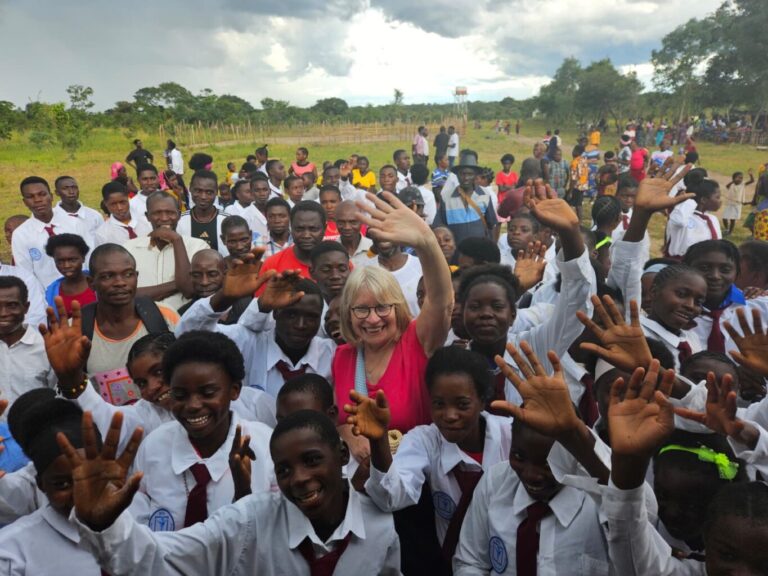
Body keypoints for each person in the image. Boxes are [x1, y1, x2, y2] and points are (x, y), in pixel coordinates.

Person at [61, 409, 401, 575]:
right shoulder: (250, 519)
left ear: (342, 455)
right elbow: (164, 554)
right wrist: (104, 524)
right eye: (283, 470)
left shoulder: (379, 526)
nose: (298, 478)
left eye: (312, 461)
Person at [348, 347, 512, 567]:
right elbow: (391, 497)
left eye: (462, 405)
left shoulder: (509, 435)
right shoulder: (424, 440)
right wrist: (379, 441)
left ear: (482, 401)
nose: (450, 415)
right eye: (439, 404)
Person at [454, 345, 611, 575]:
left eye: (548, 463)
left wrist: (578, 433)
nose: (531, 474)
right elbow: (470, 562)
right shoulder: (496, 482)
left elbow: (630, 502)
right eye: (519, 456)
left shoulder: (600, 496)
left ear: (575, 456)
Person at [333, 191, 453, 434]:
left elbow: (442, 302)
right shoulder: (342, 357)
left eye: (382, 307)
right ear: (348, 313)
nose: (373, 318)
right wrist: (346, 433)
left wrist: (427, 242)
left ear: (398, 307)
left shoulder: (415, 341)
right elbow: (342, 419)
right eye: (362, 309)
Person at [178, 267, 334, 398]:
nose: (301, 325)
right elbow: (187, 336)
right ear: (275, 312)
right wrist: (225, 297)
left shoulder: (331, 353)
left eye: (311, 317)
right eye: (291, 315)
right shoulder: (247, 342)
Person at [0, 397, 102, 574]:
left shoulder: (143, 515)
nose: (81, 494)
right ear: (41, 484)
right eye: (62, 484)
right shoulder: (10, 553)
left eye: (91, 477)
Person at [72, 244, 179, 404]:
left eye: (128, 274)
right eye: (108, 276)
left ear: (136, 276)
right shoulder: (76, 329)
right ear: (90, 282)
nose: (120, 282)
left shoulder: (165, 316)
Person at [124, 190, 209, 311]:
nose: (164, 218)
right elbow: (127, 294)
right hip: (141, 320)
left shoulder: (198, 247)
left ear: (179, 215)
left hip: (182, 321)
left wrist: (176, 240)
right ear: (148, 216)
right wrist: (178, 284)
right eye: (157, 213)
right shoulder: (129, 249)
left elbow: (188, 290)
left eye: (170, 213)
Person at [12, 176, 93, 288]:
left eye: (42, 194)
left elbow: (89, 257)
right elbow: (26, 274)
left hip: (83, 289)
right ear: (25, 202)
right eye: (30, 197)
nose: (37, 200)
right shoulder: (20, 235)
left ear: (51, 196)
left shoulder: (74, 223)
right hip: (48, 297)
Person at [0, 276, 54, 411]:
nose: (3, 313)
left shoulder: (46, 348)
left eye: (11, 305)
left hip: (34, 430)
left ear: (26, 307)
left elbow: (60, 395)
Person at [434, 150, 498, 245]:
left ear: (475, 175)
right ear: (457, 175)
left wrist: (493, 246)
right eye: (462, 174)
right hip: (456, 252)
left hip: (480, 251)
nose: (466, 178)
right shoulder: (446, 197)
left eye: (470, 174)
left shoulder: (485, 194)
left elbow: (491, 224)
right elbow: (439, 226)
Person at [258, 201, 326, 282]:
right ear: (291, 228)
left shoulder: (338, 262)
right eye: (299, 229)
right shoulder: (272, 264)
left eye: (313, 229)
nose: (306, 235)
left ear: (325, 228)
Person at [666, 169, 722, 258]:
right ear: (703, 200)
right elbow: (678, 221)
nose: (720, 201)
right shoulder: (683, 216)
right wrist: (691, 200)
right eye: (717, 197)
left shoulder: (712, 219)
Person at [177, 169, 228, 255]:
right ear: (190, 188)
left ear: (216, 192)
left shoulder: (227, 221)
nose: (203, 196)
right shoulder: (179, 221)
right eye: (198, 191)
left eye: (209, 192)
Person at [44, 233, 96, 316]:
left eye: (72, 260)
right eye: (60, 261)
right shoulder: (51, 292)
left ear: (83, 258)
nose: (66, 266)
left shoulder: (97, 280)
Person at [94, 180, 150, 246]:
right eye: (113, 204)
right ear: (106, 204)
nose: (119, 208)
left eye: (123, 202)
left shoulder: (146, 221)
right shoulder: (102, 234)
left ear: (128, 198)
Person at [129, 163, 162, 230]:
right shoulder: (132, 204)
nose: (149, 183)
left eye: (153, 178)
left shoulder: (168, 198)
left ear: (158, 178)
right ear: (138, 180)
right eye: (145, 179)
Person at [722, 169, 755, 236]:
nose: (740, 179)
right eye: (739, 177)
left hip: (737, 205)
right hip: (729, 204)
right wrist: (733, 181)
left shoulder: (743, 184)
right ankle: (726, 229)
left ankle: (730, 232)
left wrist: (750, 174)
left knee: (732, 219)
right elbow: (727, 186)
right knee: (724, 218)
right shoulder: (731, 185)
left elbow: (752, 181)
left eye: (741, 178)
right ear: (734, 178)